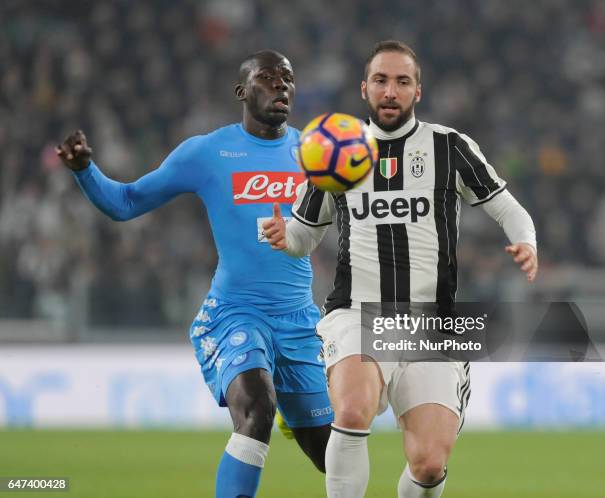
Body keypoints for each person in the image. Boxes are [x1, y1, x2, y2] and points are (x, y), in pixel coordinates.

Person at [263, 40, 538, 498]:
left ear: (418, 91)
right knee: (352, 412)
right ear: (364, 89)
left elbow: (510, 210)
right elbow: (304, 236)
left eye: (402, 82)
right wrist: (283, 235)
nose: (391, 91)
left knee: (429, 465)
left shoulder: (450, 147)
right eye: (381, 81)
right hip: (358, 312)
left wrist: (525, 241)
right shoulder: (336, 150)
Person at [57, 50, 332, 498]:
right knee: (256, 412)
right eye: (267, 77)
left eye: (288, 77)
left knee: (332, 459)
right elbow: (126, 202)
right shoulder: (207, 152)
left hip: (299, 322)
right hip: (236, 314)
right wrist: (85, 170)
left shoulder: (314, 154)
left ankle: (295, 414)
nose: (281, 85)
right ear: (242, 92)